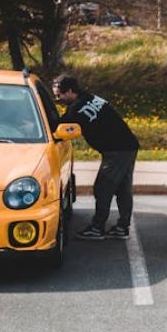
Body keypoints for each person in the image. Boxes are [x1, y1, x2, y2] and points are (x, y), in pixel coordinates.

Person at [54, 74, 140, 240]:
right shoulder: (88, 97)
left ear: (70, 91)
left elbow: (59, 128)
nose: (58, 99)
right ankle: (122, 227)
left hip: (116, 151)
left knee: (102, 188)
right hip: (128, 145)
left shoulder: (76, 110)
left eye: (60, 95)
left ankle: (97, 228)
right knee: (122, 189)